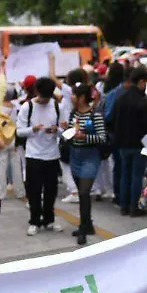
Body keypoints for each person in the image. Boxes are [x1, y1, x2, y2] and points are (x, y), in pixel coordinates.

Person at [16, 77, 65, 235]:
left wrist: (56, 130)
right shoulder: (27, 107)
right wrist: (33, 129)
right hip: (33, 154)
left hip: (52, 154)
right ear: (36, 92)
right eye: (43, 97)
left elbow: (64, 131)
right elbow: (19, 131)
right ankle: (34, 221)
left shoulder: (57, 106)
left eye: (47, 98)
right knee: (34, 190)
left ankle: (49, 220)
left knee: (51, 190)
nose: (44, 101)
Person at [66, 82, 107, 245]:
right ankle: (88, 224)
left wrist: (85, 137)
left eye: (74, 95)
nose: (72, 97)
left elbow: (102, 137)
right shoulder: (73, 114)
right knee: (82, 193)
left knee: (84, 192)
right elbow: (70, 131)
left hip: (90, 156)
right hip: (75, 155)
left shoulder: (95, 115)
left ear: (82, 97)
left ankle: (83, 228)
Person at [112, 67, 147, 217]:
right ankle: (134, 206)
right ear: (141, 81)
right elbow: (146, 125)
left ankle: (123, 205)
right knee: (136, 176)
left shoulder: (120, 98)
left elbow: (114, 120)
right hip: (138, 144)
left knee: (125, 174)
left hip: (122, 143)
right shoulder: (141, 101)